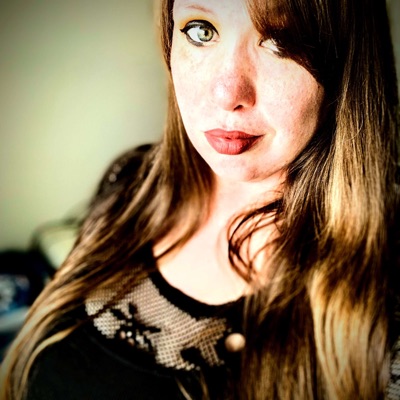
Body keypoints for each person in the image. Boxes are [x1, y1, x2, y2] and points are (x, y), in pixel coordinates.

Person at [1, 0, 399, 398]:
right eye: (200, 31)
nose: (227, 93)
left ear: (347, 60)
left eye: (281, 41)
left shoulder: (384, 300)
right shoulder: (132, 183)